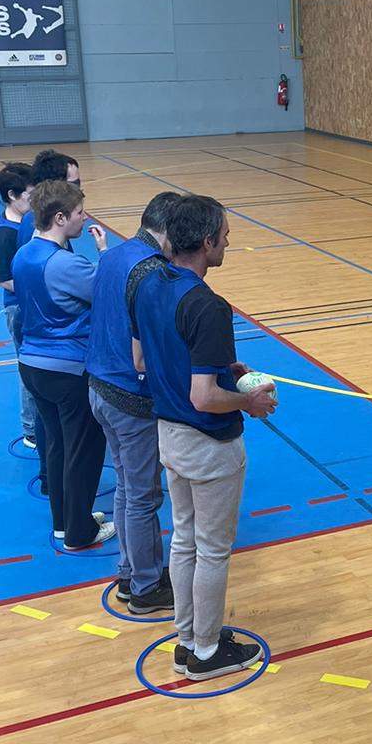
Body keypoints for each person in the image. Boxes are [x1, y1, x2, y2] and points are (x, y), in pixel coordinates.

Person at [130, 194, 276, 680]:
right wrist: (248, 401)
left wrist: (216, 367)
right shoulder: (209, 307)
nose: (229, 240)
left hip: (167, 438)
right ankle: (208, 654)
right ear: (207, 241)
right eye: (225, 234)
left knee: (185, 541)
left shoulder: (147, 284)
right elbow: (204, 398)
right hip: (209, 445)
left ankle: (188, 638)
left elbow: (144, 362)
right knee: (212, 549)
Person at [86, 191, 180, 615]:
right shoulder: (152, 271)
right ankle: (145, 588)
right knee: (144, 497)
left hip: (99, 389)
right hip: (130, 398)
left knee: (126, 489)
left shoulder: (115, 254)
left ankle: (130, 571)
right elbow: (147, 351)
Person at [13, 178, 114, 552]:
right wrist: (104, 252)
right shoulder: (66, 264)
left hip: (32, 365)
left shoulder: (23, 254)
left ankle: (66, 521)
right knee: (84, 449)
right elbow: (108, 293)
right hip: (67, 368)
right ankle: (79, 533)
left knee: (55, 445)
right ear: (59, 217)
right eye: (77, 213)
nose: (83, 218)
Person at [0, 162, 42, 452]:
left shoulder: (29, 223)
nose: (33, 202)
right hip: (19, 309)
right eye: (30, 196)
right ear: (12, 195)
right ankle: (31, 429)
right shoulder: (3, 233)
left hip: (34, 305)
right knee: (29, 367)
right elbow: (5, 280)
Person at [15, 149, 80, 251]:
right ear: (53, 186)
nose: (79, 191)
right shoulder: (41, 230)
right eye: (73, 185)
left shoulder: (46, 218)